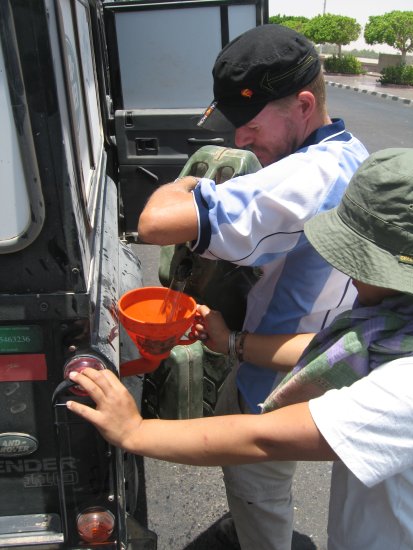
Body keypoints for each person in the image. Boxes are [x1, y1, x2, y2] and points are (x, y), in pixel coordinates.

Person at [67, 148, 413, 550]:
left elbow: (264, 439)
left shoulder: (403, 387)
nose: (351, 277)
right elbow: (328, 348)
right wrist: (232, 342)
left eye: (360, 264)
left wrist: (136, 430)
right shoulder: (392, 326)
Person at [136, 23, 368, 550]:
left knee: (257, 486)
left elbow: (155, 223)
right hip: (312, 354)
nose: (238, 139)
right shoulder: (348, 150)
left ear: (304, 105)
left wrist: (189, 182)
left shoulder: (308, 177)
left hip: (279, 381)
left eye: (249, 123)